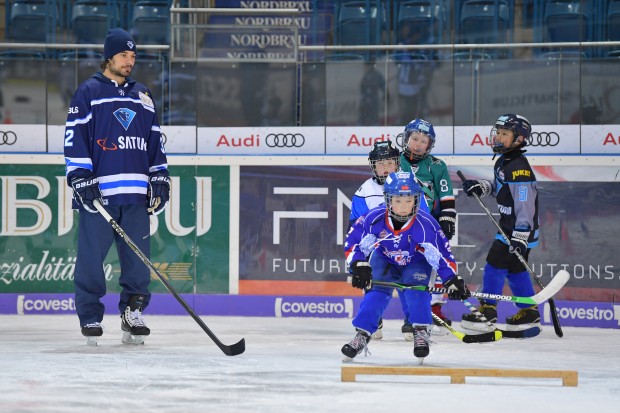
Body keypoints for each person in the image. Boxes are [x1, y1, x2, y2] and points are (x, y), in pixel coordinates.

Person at [64, 28, 170, 345]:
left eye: (133, 56)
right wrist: (80, 175)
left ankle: (132, 312)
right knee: (91, 261)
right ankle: (91, 316)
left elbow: (154, 142)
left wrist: (160, 176)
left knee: (138, 261)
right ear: (109, 57)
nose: (130, 61)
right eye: (124, 55)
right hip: (99, 195)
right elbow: (74, 138)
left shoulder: (143, 95)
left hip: (136, 194)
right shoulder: (88, 92)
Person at [342, 172, 470, 362]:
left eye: (409, 200)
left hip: (416, 261)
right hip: (384, 258)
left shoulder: (426, 224)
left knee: (417, 292)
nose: (403, 206)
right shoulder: (374, 218)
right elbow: (353, 243)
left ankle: (420, 330)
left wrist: (451, 278)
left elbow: (442, 255)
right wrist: (358, 264)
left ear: (416, 200)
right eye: (398, 200)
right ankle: (362, 334)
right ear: (388, 199)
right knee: (376, 292)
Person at [460, 114, 541, 331]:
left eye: (505, 134)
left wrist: (520, 236)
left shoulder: (519, 168)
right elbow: (501, 189)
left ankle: (488, 310)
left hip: (517, 230)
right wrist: (482, 187)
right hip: (510, 228)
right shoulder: (504, 161)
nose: (498, 137)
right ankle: (529, 311)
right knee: (515, 269)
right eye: (498, 132)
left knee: (495, 265)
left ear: (519, 140)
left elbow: (525, 205)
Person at [348, 141, 428, 341]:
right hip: (379, 249)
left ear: (397, 164)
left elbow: (424, 219)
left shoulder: (411, 183)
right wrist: (360, 261)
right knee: (374, 280)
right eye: (380, 163)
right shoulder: (364, 190)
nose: (385, 168)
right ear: (373, 166)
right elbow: (356, 227)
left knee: (409, 282)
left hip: (409, 247)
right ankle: (373, 320)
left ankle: (413, 323)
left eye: (389, 163)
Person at [399, 118, 456, 328]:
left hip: (427, 225)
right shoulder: (396, 161)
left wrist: (447, 218)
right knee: (408, 266)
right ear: (406, 139)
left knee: (439, 262)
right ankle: (411, 312)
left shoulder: (437, 165)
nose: (418, 144)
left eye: (424, 141)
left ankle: (435, 307)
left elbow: (446, 195)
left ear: (430, 145)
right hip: (400, 224)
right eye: (415, 138)